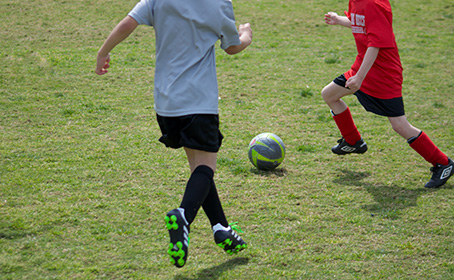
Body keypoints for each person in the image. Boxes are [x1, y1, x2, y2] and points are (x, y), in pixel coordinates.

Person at [95, 0, 252, 268]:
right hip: (199, 102)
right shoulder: (218, 4)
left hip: (166, 104)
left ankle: (221, 228)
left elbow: (127, 23)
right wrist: (246, 35)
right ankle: (182, 215)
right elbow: (232, 46)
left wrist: (103, 52)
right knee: (205, 170)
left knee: (198, 169)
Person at [321, 0, 452, 188]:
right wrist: (339, 20)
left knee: (400, 125)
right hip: (363, 68)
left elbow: (376, 44)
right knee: (329, 94)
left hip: (383, 74)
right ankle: (353, 141)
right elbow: (360, 24)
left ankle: (443, 163)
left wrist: (359, 78)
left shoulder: (374, 3)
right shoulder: (356, 1)